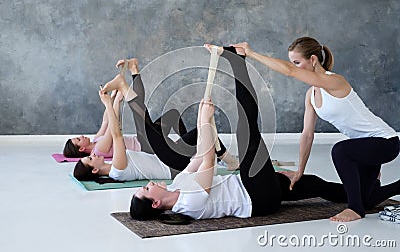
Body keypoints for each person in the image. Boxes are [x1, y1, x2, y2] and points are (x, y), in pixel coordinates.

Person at [129, 45, 400, 221]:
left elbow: (198, 158)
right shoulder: (189, 204)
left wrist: (204, 125)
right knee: (248, 132)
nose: (149, 184)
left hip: (256, 185)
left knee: (318, 186)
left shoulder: (178, 188)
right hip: (256, 197)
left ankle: (367, 196)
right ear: (155, 204)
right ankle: (237, 61)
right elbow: (209, 160)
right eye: (146, 189)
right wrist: (204, 122)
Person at [232, 37, 399, 221]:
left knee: (340, 151)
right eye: (293, 63)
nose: (294, 66)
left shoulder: (334, 81)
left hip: (385, 142)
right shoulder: (310, 95)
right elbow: (307, 135)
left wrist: (251, 53)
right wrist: (299, 171)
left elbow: (289, 72)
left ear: (313, 60)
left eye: (297, 62)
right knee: (367, 200)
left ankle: (355, 210)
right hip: (364, 147)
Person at [73, 58, 239, 182]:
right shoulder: (117, 170)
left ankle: (230, 161)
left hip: (168, 156)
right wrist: (109, 103)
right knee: (145, 129)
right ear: (94, 170)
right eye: (89, 158)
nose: (93, 155)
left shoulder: (115, 167)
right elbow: (116, 134)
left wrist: (113, 103)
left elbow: (116, 129)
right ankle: (125, 82)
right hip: (170, 166)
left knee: (200, 132)